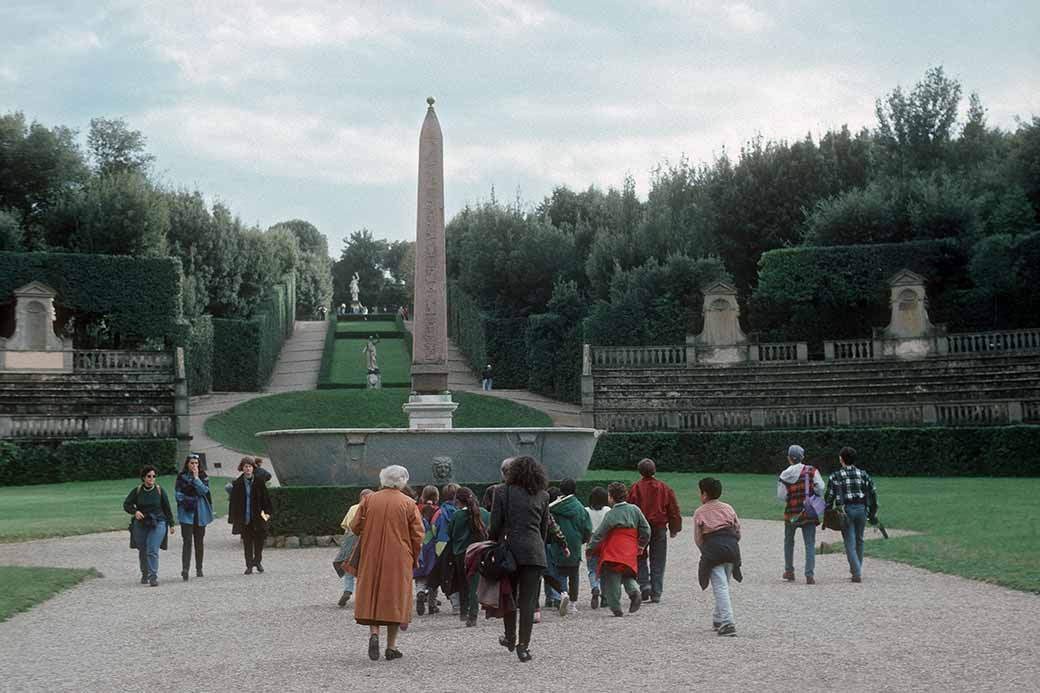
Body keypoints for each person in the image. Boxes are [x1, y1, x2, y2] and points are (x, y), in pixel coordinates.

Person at [350, 465, 424, 661]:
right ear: (402, 481)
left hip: (371, 553)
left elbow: (355, 526)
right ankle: (391, 647)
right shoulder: (408, 503)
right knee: (395, 598)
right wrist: (414, 556)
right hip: (399, 555)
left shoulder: (369, 499)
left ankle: (374, 634)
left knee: (374, 593)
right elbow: (418, 535)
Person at [489, 456, 551, 663]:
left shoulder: (502, 492)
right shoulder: (543, 495)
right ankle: (523, 646)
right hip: (534, 552)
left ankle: (510, 636)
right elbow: (543, 530)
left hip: (509, 551)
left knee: (509, 596)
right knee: (528, 601)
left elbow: (495, 525)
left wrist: (492, 544)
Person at [587, 482, 650, 617]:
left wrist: (590, 548)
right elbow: (646, 529)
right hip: (630, 547)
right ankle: (634, 592)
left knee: (612, 576)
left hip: (614, 549)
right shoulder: (635, 509)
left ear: (611, 497)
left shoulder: (611, 514)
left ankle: (616, 607)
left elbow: (599, 534)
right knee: (628, 573)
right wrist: (641, 545)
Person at [693, 477, 742, 637]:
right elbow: (737, 530)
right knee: (724, 585)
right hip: (732, 548)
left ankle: (728, 623)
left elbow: (698, 538)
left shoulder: (700, 512)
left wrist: (705, 551)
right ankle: (718, 618)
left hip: (713, 549)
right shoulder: (728, 508)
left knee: (720, 587)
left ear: (705, 494)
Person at [628, 458, 682, 603]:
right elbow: (674, 509)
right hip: (659, 527)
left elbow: (630, 509)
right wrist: (674, 528)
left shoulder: (635, 488)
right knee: (658, 559)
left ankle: (644, 584)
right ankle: (656, 591)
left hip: (641, 528)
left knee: (639, 556)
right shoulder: (664, 488)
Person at [825, 446, 879, 583]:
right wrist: (872, 512)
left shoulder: (835, 476)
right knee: (859, 540)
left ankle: (856, 572)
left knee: (849, 541)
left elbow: (829, 497)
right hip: (862, 508)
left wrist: (827, 511)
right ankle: (857, 568)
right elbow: (872, 493)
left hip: (846, 510)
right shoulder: (863, 474)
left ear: (841, 459)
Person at [777, 444, 825, 584]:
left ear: (789, 458)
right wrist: (812, 493)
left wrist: (791, 498)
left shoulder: (784, 474)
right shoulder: (812, 471)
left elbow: (781, 496)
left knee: (789, 542)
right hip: (808, 511)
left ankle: (789, 571)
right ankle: (809, 574)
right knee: (809, 543)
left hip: (792, 512)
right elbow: (821, 487)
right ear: (802, 457)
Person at [124, 465, 175, 586]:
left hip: (158, 522)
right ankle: (145, 573)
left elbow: (167, 508)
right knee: (143, 549)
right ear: (143, 477)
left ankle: (153, 576)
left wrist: (171, 524)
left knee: (152, 549)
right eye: (149, 476)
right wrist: (135, 511)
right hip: (142, 523)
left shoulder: (159, 490)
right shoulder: (137, 491)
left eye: (154, 476)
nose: (152, 478)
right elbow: (127, 504)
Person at [447, 487, 490, 627]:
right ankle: (474, 613)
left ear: (458, 501)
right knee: (475, 583)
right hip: (479, 551)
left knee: (463, 583)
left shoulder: (457, 515)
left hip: (461, 553)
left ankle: (464, 612)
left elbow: (451, 533)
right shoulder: (484, 513)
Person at [549, 478, 592, 616]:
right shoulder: (580, 508)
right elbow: (587, 529)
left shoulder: (554, 507)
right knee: (574, 574)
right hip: (575, 543)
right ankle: (573, 604)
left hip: (558, 542)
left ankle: (563, 594)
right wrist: (582, 540)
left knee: (560, 572)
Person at [229, 457, 273, 575]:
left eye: (249, 466)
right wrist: (233, 518)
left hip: (258, 517)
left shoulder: (259, 482)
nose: (248, 469)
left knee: (259, 541)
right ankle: (249, 565)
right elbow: (233, 502)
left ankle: (257, 561)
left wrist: (267, 513)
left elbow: (266, 499)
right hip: (245, 518)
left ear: (253, 468)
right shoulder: (238, 484)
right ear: (242, 468)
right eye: (245, 466)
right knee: (247, 543)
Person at [174, 453, 212, 581]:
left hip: (200, 513)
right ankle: (185, 569)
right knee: (187, 541)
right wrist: (188, 500)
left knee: (199, 541)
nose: (194, 465)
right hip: (186, 513)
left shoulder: (203, 476)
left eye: (196, 463)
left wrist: (196, 479)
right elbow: (177, 495)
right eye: (192, 463)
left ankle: (199, 568)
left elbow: (204, 491)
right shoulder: (181, 477)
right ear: (187, 464)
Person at [334, 489, 373, 606]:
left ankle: (347, 590)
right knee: (366, 569)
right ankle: (366, 596)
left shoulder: (353, 508)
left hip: (352, 541)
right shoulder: (373, 508)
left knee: (349, 567)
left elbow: (346, 527)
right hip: (367, 541)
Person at [427, 483, 461, 614]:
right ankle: (457, 604)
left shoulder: (439, 512)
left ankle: (437, 601)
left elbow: (433, 528)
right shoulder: (460, 511)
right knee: (457, 575)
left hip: (441, 546)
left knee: (442, 574)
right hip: (457, 545)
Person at [414, 486, 440, 615]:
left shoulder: (416, 509)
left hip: (419, 545)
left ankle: (420, 592)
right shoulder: (437, 510)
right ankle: (432, 604)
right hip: (433, 546)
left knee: (420, 575)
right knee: (433, 575)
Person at [584, 486, 610, 609]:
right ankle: (605, 597)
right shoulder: (607, 510)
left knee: (592, 569)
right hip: (605, 543)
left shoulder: (586, 511)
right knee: (605, 570)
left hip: (591, 542)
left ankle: (595, 586)